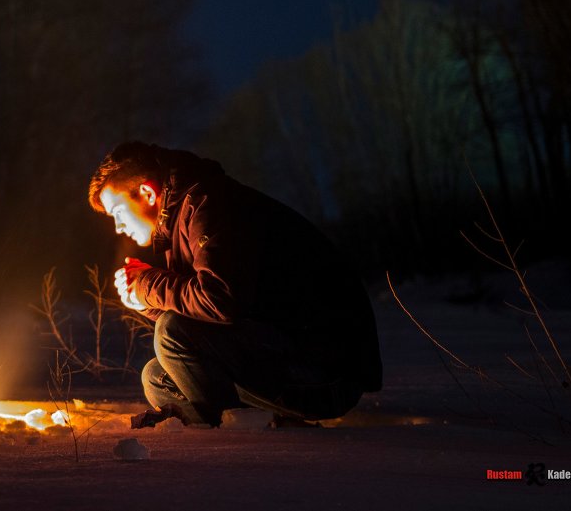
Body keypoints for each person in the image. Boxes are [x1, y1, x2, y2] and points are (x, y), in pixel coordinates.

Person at [88, 141, 382, 426]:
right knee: (156, 377)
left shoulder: (210, 204)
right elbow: (204, 323)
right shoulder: (180, 220)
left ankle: (229, 431)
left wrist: (149, 285)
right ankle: (256, 421)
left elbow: (220, 301)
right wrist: (143, 298)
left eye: (117, 212)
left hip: (326, 376)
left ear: (147, 193)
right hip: (281, 356)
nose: (118, 227)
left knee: (171, 332)